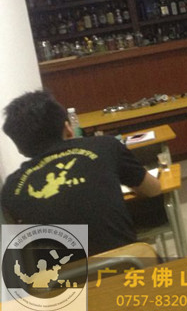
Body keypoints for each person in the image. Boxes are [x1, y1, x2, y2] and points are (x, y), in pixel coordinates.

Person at [1, 91, 162, 256]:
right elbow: (154, 189)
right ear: (68, 128)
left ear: (20, 148)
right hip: (126, 265)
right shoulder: (106, 146)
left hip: (60, 273)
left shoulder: (11, 189)